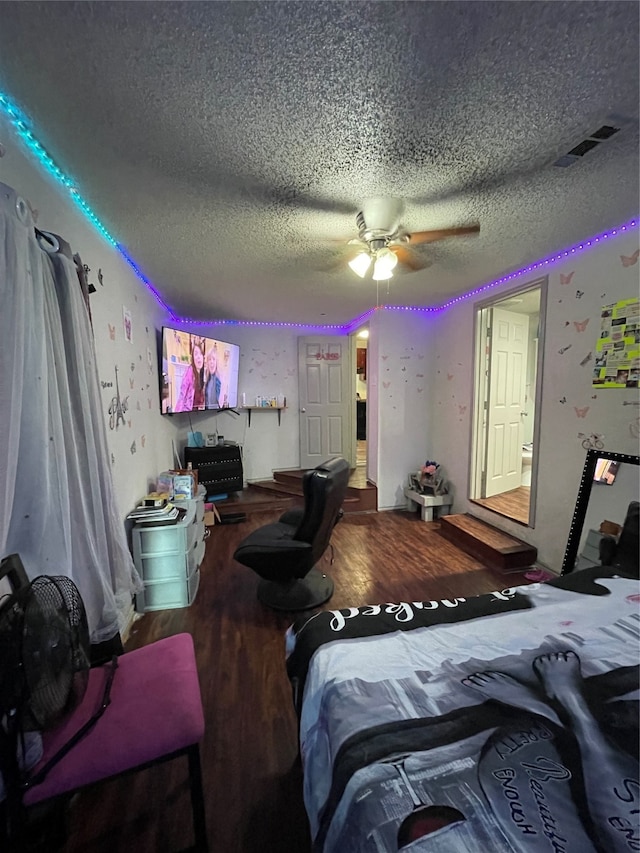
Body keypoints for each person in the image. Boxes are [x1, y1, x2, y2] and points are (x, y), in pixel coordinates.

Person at [175, 336, 205, 412]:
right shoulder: (189, 372)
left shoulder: (202, 374)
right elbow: (182, 397)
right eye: (196, 354)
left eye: (201, 354)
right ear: (193, 359)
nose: (199, 357)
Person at [204, 343, 222, 408]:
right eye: (209, 359)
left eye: (214, 359)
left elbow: (218, 400)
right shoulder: (206, 377)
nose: (211, 362)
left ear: (216, 362)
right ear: (207, 362)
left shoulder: (218, 379)